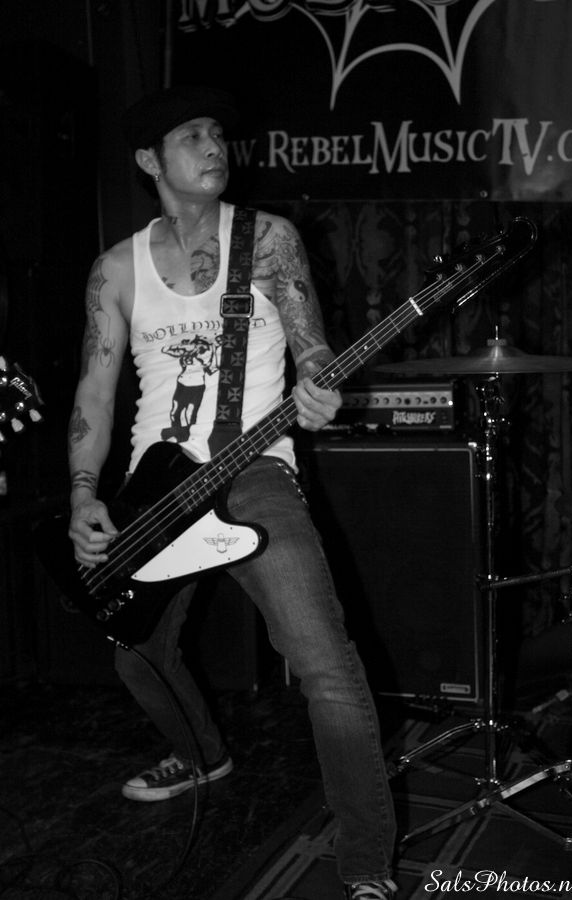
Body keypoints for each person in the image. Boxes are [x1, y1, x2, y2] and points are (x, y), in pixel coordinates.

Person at [67, 84, 398, 900]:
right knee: (138, 659)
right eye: (193, 136)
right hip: (154, 489)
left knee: (325, 666)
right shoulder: (116, 269)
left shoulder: (269, 240)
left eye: (218, 132)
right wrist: (83, 495)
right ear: (149, 160)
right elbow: (95, 396)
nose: (214, 146)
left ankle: (365, 865)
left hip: (254, 470)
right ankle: (203, 754)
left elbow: (312, 345)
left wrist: (320, 383)